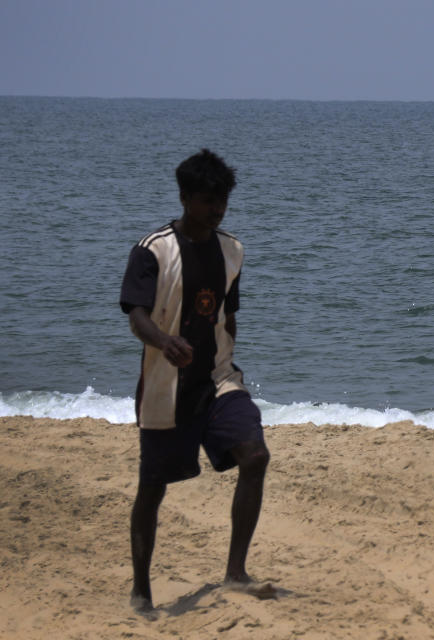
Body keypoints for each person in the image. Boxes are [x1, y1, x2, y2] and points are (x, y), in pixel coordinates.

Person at [120, 149, 272, 615]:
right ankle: (141, 589)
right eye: (208, 200)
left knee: (256, 455)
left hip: (219, 379)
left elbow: (228, 314)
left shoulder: (232, 250)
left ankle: (236, 572)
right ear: (186, 198)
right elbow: (136, 315)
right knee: (153, 487)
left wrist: (225, 356)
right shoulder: (154, 249)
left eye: (222, 200)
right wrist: (165, 342)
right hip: (166, 388)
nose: (217, 209)